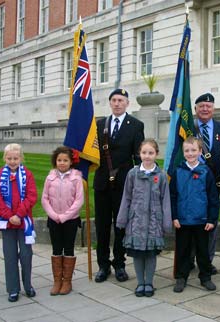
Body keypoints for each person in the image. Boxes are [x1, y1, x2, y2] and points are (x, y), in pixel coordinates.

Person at [93, 88, 145, 283]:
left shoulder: (136, 125)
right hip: (102, 183)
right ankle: (103, 265)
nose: (117, 103)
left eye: (121, 100)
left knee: (121, 225)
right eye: (114, 100)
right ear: (110, 103)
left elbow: (138, 157)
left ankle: (119, 264)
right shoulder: (99, 125)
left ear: (127, 104)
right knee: (102, 226)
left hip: (124, 183)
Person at [116, 139, 172, 297]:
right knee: (138, 254)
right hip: (136, 221)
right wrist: (122, 219)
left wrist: (166, 222)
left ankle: (149, 282)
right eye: (144, 153)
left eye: (151, 153)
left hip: (154, 221)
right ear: (139, 154)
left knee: (151, 254)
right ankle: (140, 283)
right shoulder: (133, 174)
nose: (147, 156)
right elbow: (126, 197)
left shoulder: (161, 176)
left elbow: (165, 200)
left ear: (156, 154)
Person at [193, 92, 220, 274]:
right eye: (201, 106)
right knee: (191, 225)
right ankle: (188, 260)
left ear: (213, 108)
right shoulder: (186, 128)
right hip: (192, 187)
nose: (205, 109)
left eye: (208, 106)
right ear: (195, 109)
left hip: (215, 187)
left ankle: (206, 262)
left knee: (211, 226)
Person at [170, 136, 220, 293]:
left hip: (202, 220)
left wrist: (212, 219)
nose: (190, 153)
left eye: (193, 150)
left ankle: (205, 277)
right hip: (183, 220)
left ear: (200, 152)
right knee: (182, 250)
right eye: (187, 150)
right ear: (183, 152)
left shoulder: (206, 172)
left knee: (202, 251)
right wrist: (174, 216)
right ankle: (181, 277)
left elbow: (213, 198)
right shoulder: (178, 172)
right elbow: (172, 197)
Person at [0, 143, 37, 302]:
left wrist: (18, 214)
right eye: (9, 158)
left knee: (26, 255)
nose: (12, 161)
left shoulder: (28, 175)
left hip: (23, 222)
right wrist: (9, 215)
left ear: (21, 158)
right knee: (10, 256)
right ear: (5, 158)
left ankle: (28, 285)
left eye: (15, 158)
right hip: (7, 223)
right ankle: (13, 289)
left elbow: (31, 196)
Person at [41, 146, 84, 296]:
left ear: (71, 162)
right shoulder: (50, 177)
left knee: (69, 248)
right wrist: (53, 215)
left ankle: (67, 281)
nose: (62, 163)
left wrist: (65, 216)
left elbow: (79, 200)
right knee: (56, 248)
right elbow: (45, 198)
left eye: (65, 160)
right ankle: (57, 280)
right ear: (55, 161)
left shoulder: (76, 178)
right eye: (59, 160)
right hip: (54, 219)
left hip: (70, 220)